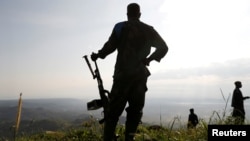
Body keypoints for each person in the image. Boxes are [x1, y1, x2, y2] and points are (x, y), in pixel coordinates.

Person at [91, 3, 168, 141]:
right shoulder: (148, 30)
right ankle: (129, 138)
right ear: (139, 14)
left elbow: (110, 46)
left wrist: (98, 55)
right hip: (140, 77)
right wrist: (149, 59)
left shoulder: (121, 27)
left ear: (127, 14)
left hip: (122, 75)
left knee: (113, 112)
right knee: (135, 111)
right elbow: (163, 47)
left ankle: (108, 139)